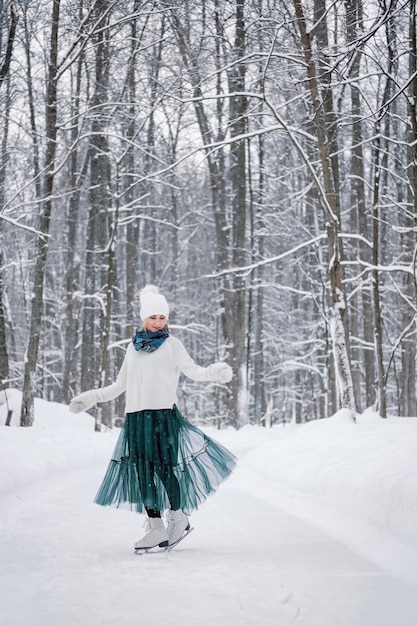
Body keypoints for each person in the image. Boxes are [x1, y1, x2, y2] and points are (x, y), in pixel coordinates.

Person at [69, 284, 237, 552]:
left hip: (162, 416)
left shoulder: (172, 344)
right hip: (136, 418)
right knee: (142, 471)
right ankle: (156, 526)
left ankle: (178, 517)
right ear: (144, 318)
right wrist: (90, 398)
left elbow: (193, 371)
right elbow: (118, 386)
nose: (158, 322)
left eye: (162, 317)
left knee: (164, 468)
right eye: (153, 317)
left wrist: (215, 372)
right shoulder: (132, 347)